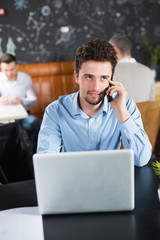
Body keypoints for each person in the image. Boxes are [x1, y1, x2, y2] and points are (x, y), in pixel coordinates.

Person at [37, 38, 152, 167]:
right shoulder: (55, 111)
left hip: (111, 179)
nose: (96, 87)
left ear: (111, 80)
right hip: (71, 180)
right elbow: (46, 162)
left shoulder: (126, 106)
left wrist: (122, 115)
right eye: (89, 77)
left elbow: (141, 159)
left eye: (104, 78)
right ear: (77, 77)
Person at [0, 53, 41, 153]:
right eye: (6, 70)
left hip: (24, 116)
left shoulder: (25, 78)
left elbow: (34, 101)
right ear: (1, 68)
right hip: (4, 118)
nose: (9, 73)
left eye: (12, 69)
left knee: (36, 123)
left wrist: (23, 101)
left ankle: (31, 153)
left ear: (17, 66)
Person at [109, 33, 155, 103]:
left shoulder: (111, 71)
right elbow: (152, 101)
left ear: (115, 49)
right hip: (145, 113)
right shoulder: (148, 71)